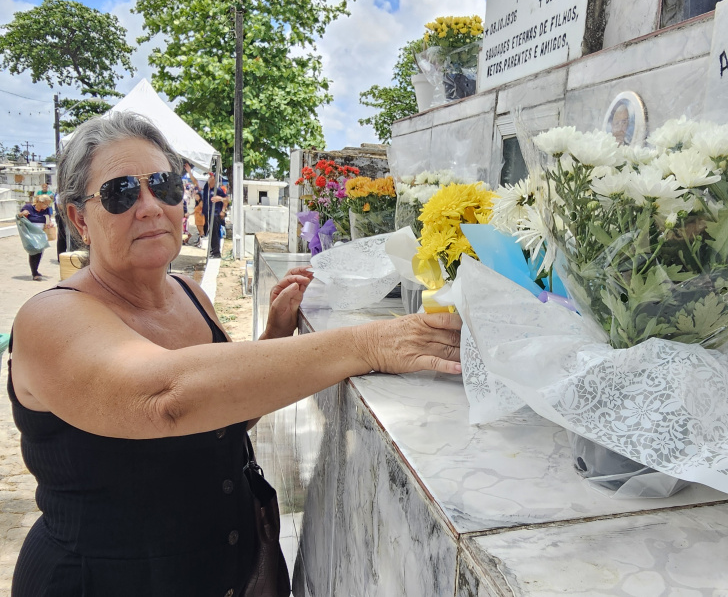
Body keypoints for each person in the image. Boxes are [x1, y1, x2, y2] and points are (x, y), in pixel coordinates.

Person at [8, 112, 461, 596]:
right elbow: (162, 397)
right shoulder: (49, 319)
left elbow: (224, 417)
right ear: (79, 218)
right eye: (121, 192)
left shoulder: (188, 293)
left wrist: (275, 337)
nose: (149, 207)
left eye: (163, 185)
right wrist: (371, 343)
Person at [187, 163, 228, 258]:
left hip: (215, 214)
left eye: (211, 177)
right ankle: (212, 251)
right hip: (207, 215)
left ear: (214, 180)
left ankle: (216, 253)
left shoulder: (218, 190)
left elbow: (227, 200)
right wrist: (189, 172)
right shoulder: (206, 188)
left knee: (214, 233)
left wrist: (221, 203)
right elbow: (195, 182)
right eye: (209, 177)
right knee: (207, 233)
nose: (209, 179)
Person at [17, 194, 53, 281]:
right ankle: (34, 273)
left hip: (40, 234)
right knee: (33, 251)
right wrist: (22, 214)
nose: (47, 206)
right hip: (31, 234)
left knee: (40, 251)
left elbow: (48, 219)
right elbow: (19, 216)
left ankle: (35, 270)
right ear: (39, 202)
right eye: (45, 204)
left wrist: (50, 224)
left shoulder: (46, 210)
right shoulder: (28, 207)